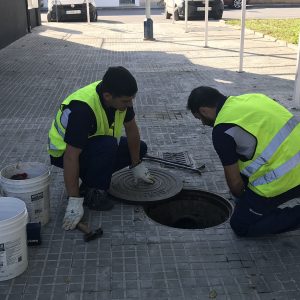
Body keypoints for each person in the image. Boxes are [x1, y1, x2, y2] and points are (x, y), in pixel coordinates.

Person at [48, 66, 154, 231]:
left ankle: (89, 182)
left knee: (139, 148)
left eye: (131, 99)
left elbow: (132, 130)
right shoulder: (82, 109)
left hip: (94, 147)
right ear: (107, 96)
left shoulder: (116, 96)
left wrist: (136, 164)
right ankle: (94, 194)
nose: (130, 104)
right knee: (107, 145)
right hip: (63, 154)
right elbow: (70, 156)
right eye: (126, 101)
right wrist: (74, 201)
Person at [187, 86, 300, 237]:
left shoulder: (222, 130)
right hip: (294, 161)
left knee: (241, 224)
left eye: (199, 118)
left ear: (203, 111)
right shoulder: (253, 98)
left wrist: (244, 200)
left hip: (289, 177)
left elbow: (235, 185)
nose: (202, 123)